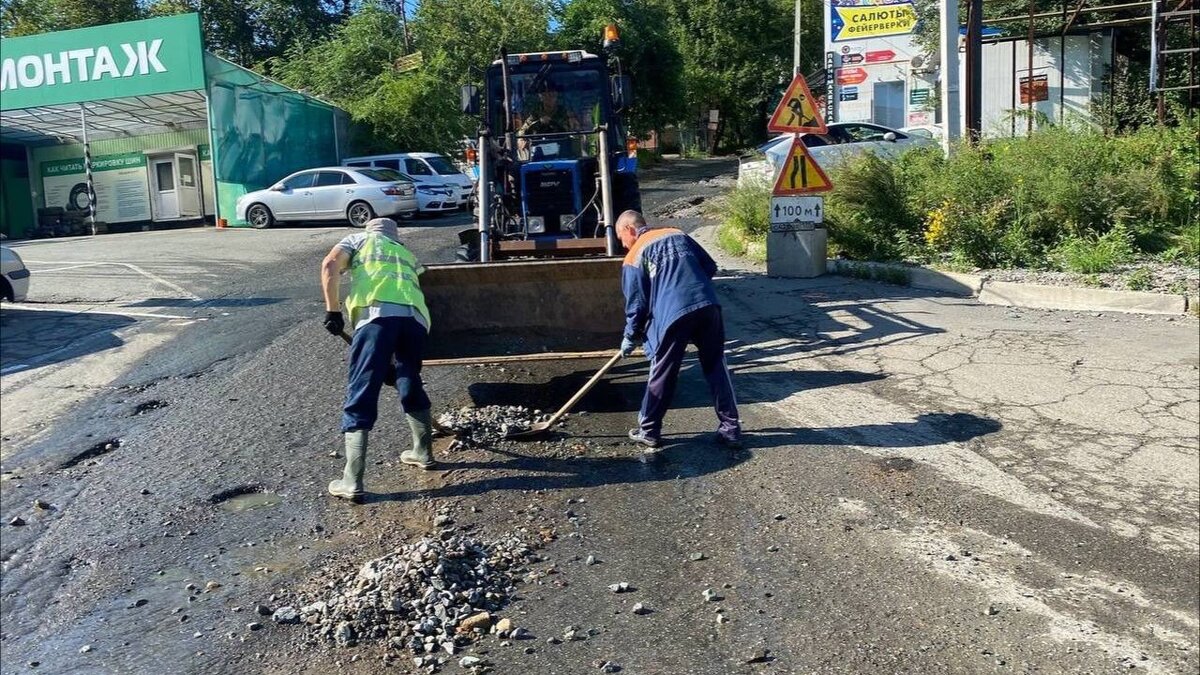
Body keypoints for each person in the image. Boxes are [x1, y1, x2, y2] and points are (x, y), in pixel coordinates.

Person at [319, 217, 436, 500]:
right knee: (409, 378)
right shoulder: (405, 252)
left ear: (369, 230)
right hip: (416, 321)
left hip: (376, 317)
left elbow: (330, 265)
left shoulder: (359, 241)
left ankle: (352, 481)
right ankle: (423, 452)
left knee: (362, 389)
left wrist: (333, 311)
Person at [616, 210, 742, 454]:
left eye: (622, 238)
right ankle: (731, 429)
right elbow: (709, 266)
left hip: (673, 315)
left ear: (630, 229)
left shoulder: (633, 256)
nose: (623, 244)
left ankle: (649, 431)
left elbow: (636, 304)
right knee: (716, 365)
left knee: (663, 370)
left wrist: (630, 336)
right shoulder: (677, 233)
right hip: (707, 306)